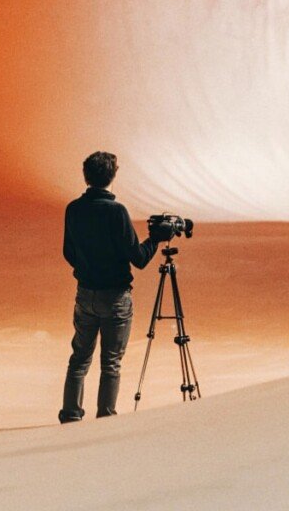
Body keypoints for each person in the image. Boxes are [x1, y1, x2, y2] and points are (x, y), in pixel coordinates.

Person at [59, 151, 173, 424]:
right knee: (110, 363)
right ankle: (106, 420)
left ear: (86, 176)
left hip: (85, 295)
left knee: (79, 359)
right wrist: (156, 239)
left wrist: (87, 268)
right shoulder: (117, 212)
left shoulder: (73, 209)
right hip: (116, 298)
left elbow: (68, 252)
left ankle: (71, 417)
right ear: (113, 176)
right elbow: (139, 258)